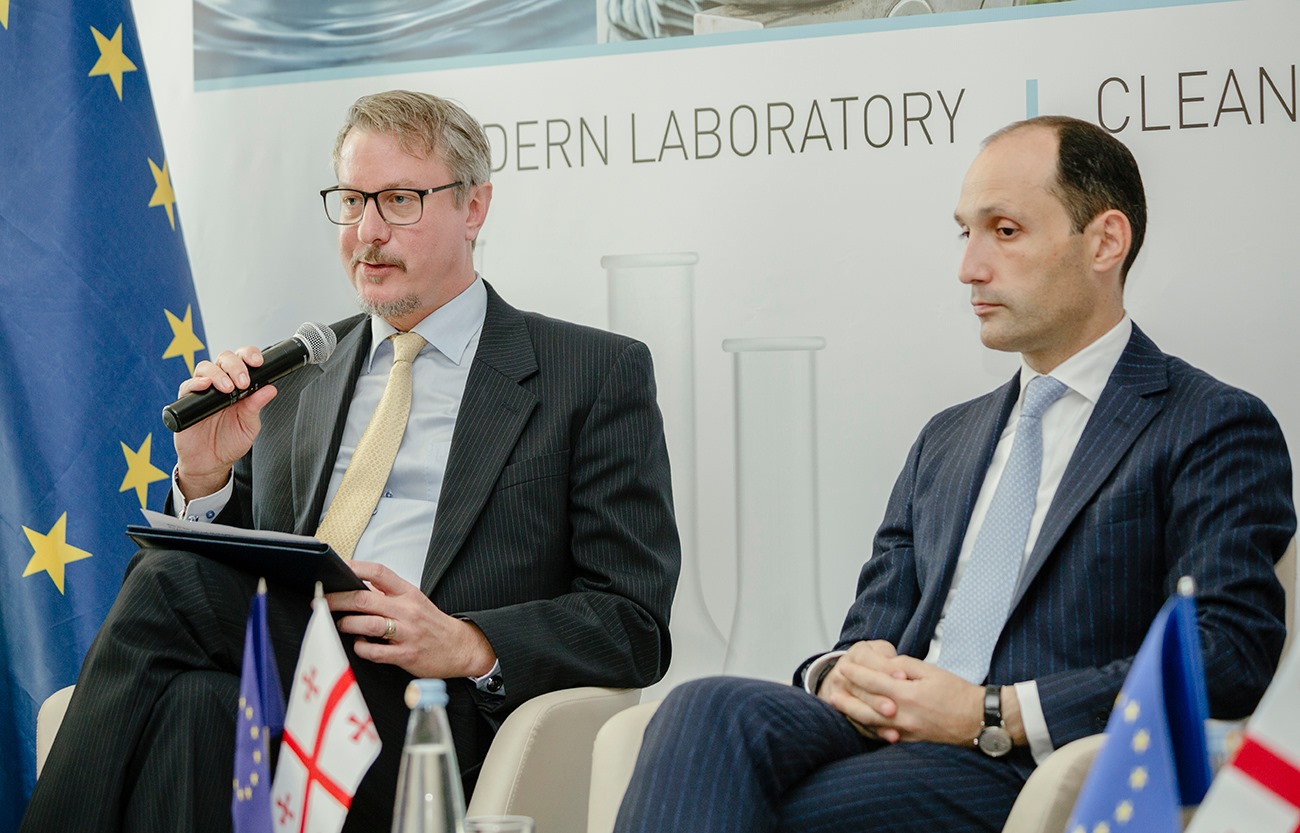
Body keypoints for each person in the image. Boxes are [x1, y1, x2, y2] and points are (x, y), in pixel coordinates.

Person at [611, 115, 1295, 833]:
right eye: (965, 232)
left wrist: (988, 711)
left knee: (751, 810)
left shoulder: (1209, 423)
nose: (969, 267)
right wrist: (841, 671)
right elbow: (870, 630)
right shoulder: (948, 438)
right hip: (889, 733)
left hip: (1025, 766)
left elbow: (1227, 651)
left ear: (1104, 242)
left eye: (1005, 231)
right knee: (703, 705)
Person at [21, 90, 680, 833]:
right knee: (194, 704)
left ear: (473, 207)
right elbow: (225, 590)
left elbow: (634, 622)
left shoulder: (590, 374)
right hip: (281, 686)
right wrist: (205, 479)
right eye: (352, 200)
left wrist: (466, 641)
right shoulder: (293, 378)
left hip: (426, 715)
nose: (368, 232)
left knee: (168, 582)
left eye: (399, 200)